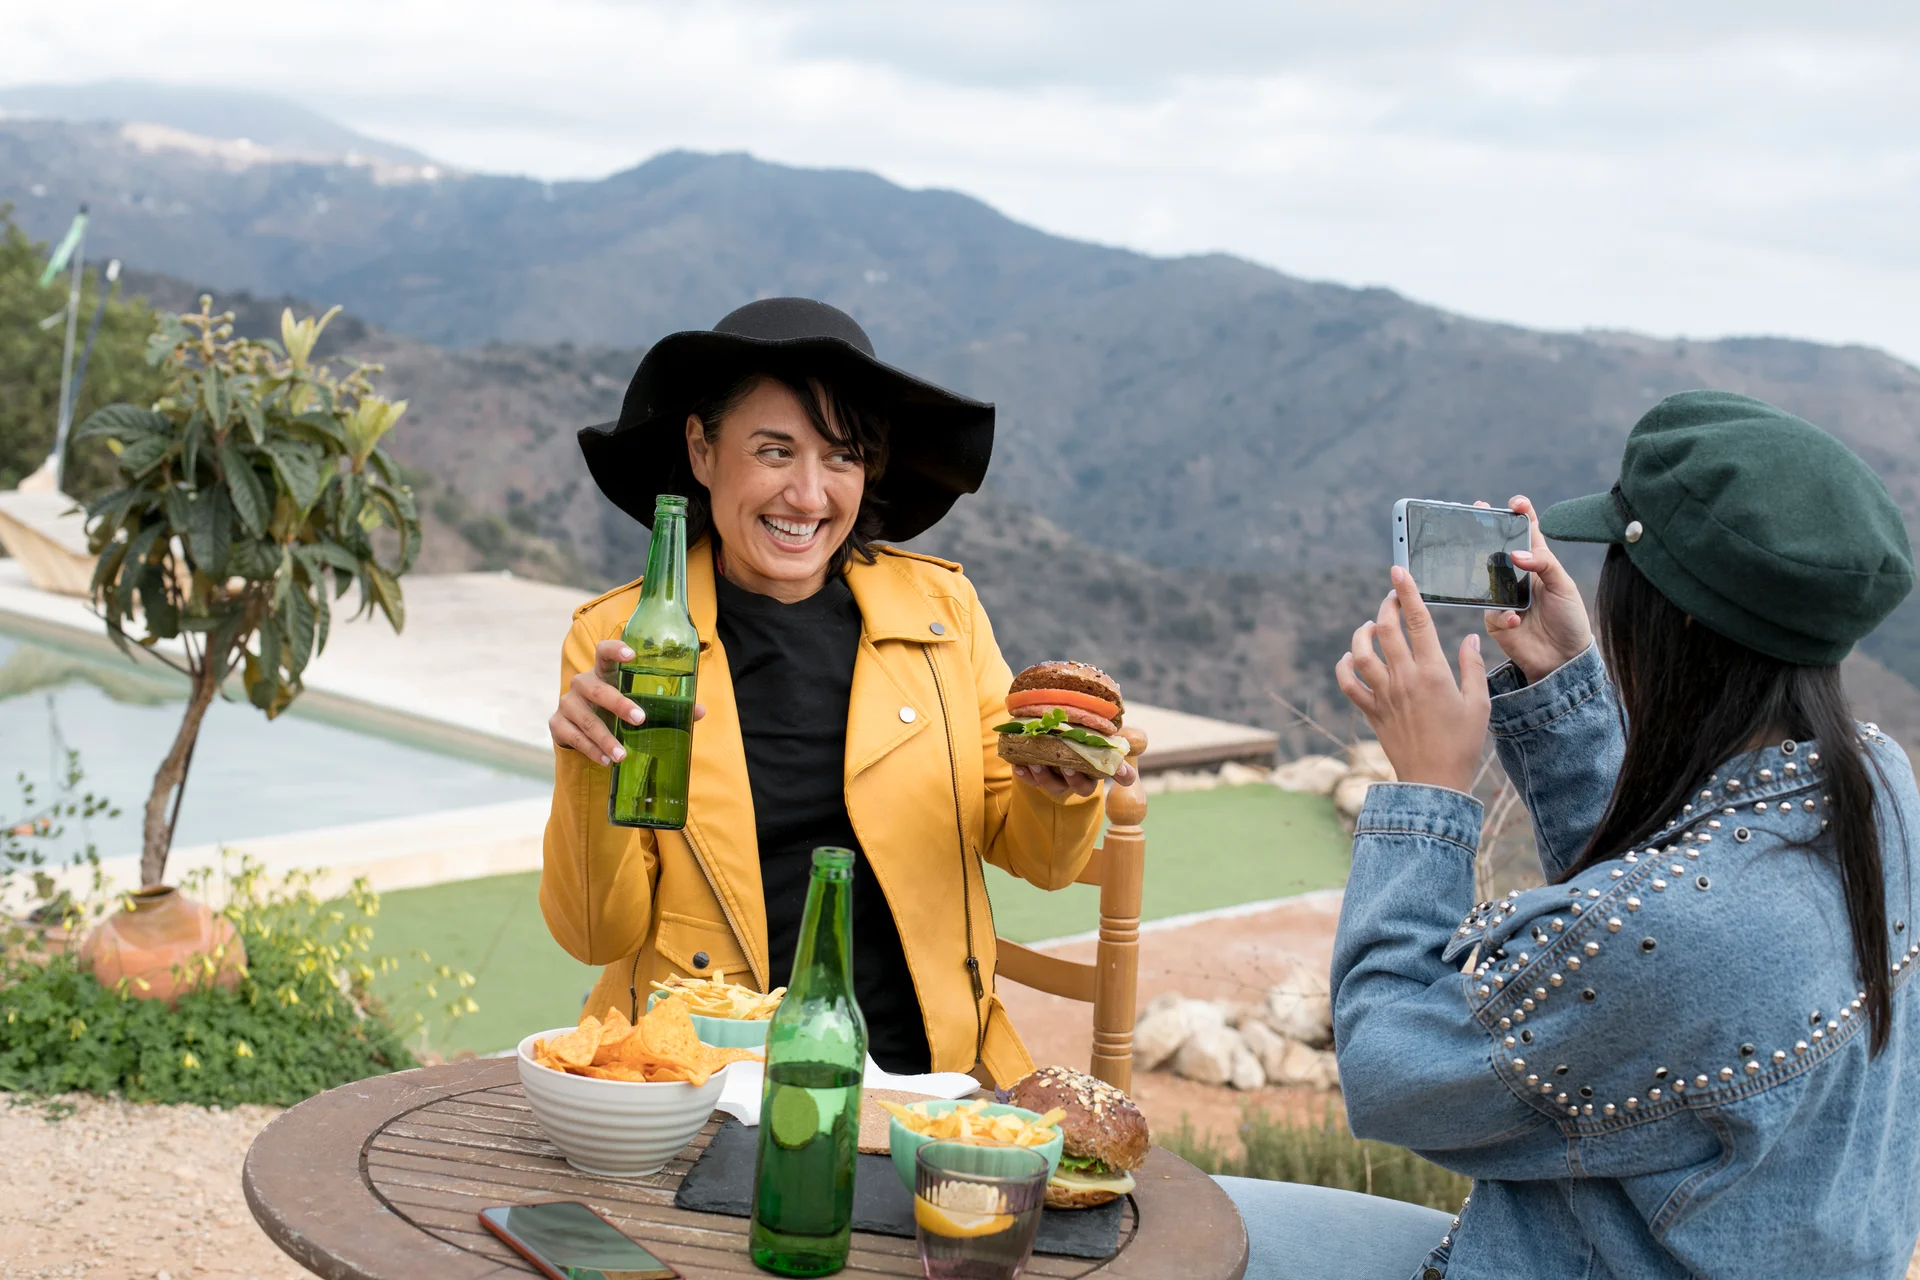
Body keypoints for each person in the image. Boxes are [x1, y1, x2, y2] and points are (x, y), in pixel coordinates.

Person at [1218, 391, 1920, 1279]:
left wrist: (1429, 792)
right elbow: (1665, 904)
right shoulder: (1879, 789)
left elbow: (1396, 1072)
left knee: (1184, 1230)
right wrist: (1565, 696)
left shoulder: (1696, 933)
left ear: (1673, 619)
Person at [539, 297, 1135, 1081]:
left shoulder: (943, 617)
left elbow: (1043, 861)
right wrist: (590, 773)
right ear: (702, 449)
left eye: (843, 456)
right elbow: (594, 935)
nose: (810, 496)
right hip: (707, 1080)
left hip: (929, 1080)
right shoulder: (629, 641)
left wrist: (1060, 785)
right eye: (776, 451)